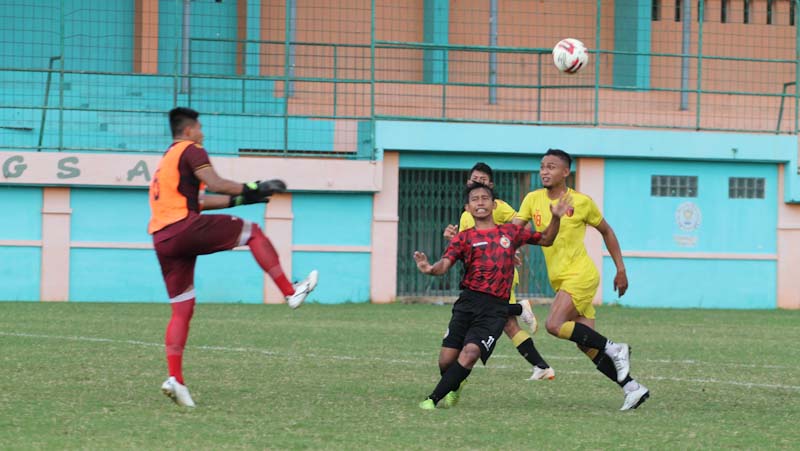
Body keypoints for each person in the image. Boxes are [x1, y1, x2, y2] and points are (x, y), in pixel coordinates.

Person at [148, 107, 318, 407]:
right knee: (252, 232)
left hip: (163, 238)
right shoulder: (192, 149)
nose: (202, 132)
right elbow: (214, 183)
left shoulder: (167, 159)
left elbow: (201, 200)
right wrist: (256, 186)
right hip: (183, 227)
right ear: (188, 130)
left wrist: (243, 198)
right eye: (199, 127)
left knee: (182, 310)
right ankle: (291, 292)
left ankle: (176, 379)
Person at [512, 148, 649, 411]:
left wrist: (620, 269)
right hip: (561, 281)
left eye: (551, 167)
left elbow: (606, 231)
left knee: (554, 324)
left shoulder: (582, 202)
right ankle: (632, 388)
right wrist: (512, 249)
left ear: (566, 172)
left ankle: (616, 348)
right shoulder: (532, 199)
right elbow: (514, 230)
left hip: (581, 275)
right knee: (587, 345)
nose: (545, 171)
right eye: (542, 166)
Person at [415, 181, 571, 410]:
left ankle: (432, 399)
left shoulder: (511, 232)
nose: (480, 202)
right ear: (467, 208)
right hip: (467, 303)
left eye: (485, 198)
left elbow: (546, 239)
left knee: (470, 353)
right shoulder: (463, 238)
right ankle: (456, 385)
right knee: (446, 360)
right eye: (475, 199)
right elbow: (444, 264)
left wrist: (556, 217)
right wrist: (430, 269)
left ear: (494, 204)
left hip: (495, 308)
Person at [443, 162, 554, 381]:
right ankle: (541, 366)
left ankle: (519, 310)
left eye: (482, 182)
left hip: (498, 277)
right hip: (476, 280)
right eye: (474, 180)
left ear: (491, 187)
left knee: (500, 317)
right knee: (507, 324)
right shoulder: (467, 213)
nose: (477, 185)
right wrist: (452, 240)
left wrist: (507, 247)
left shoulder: (498, 207)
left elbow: (518, 228)